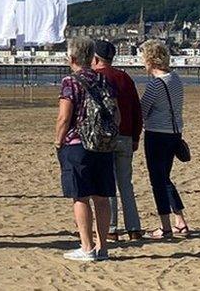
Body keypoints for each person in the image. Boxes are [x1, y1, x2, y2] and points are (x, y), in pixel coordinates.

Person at [55, 37, 115, 262]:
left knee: (80, 196)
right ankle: (103, 248)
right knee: (102, 197)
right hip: (102, 144)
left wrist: (58, 141)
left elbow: (64, 117)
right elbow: (115, 113)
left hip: (77, 143)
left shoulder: (70, 81)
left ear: (71, 58)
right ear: (92, 57)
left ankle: (87, 246)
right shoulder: (104, 79)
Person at [90, 40, 143, 242]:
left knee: (108, 183)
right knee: (126, 184)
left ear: (95, 59)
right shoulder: (124, 78)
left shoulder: (96, 78)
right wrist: (136, 136)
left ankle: (111, 228)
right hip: (126, 136)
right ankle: (134, 228)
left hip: (105, 136)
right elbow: (136, 110)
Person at [138, 39, 189, 239]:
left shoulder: (155, 85)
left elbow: (143, 111)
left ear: (150, 59)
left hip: (157, 134)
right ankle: (180, 222)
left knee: (157, 180)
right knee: (165, 178)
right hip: (174, 133)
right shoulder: (175, 78)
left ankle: (166, 226)